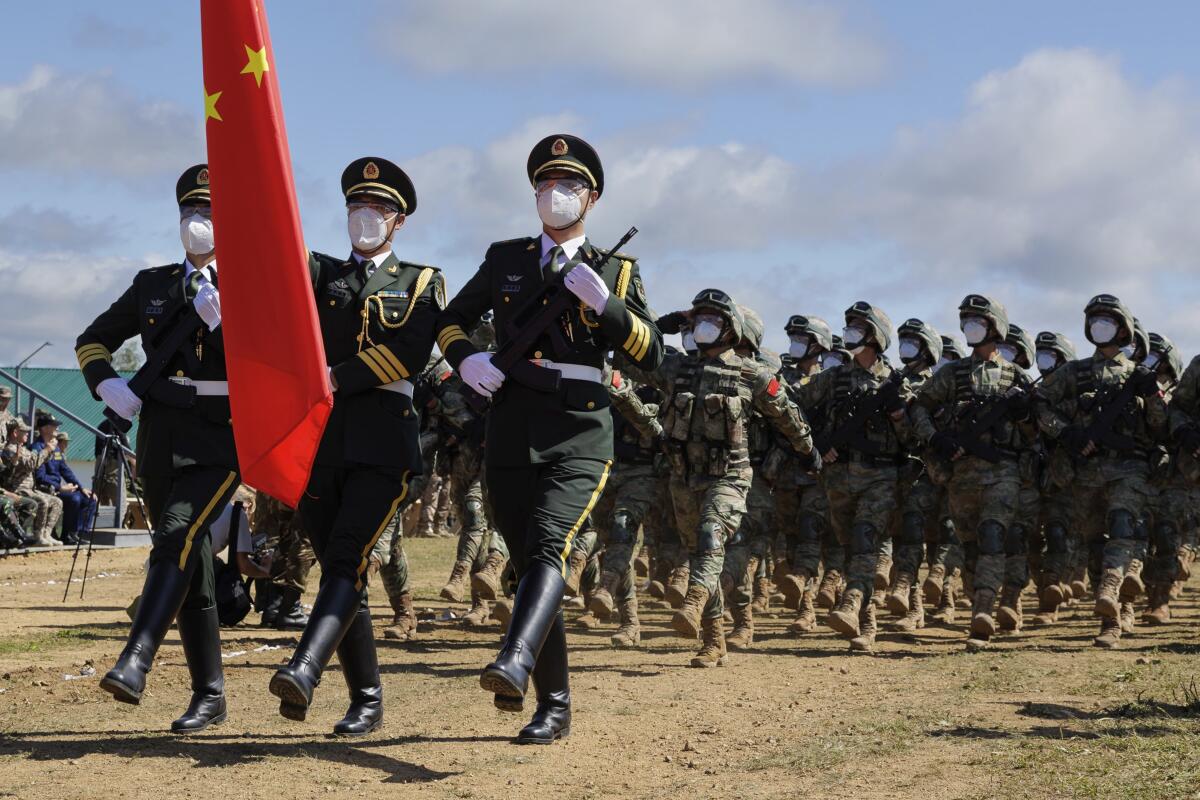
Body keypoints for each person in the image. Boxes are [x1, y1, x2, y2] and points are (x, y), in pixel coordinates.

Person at [435, 134, 664, 744]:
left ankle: (514, 658)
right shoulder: (506, 259)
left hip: (579, 429)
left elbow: (652, 355)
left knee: (548, 551)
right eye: (544, 184)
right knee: (533, 562)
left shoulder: (617, 269)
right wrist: (466, 360)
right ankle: (553, 704)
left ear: (591, 198)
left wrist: (608, 306)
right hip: (510, 425)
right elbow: (450, 320)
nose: (554, 195)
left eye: (567, 186)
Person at [269, 157, 443, 737]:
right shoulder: (318, 275)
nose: (365, 218)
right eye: (356, 208)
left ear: (399, 221)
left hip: (382, 443)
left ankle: (304, 666)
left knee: (345, 557)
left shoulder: (422, 280)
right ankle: (367, 698)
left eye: (378, 209)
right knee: (346, 570)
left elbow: (410, 353)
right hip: (319, 442)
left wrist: (335, 376)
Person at [81, 164, 240, 732]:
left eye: (211, 212)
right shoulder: (153, 284)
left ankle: (137, 656)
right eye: (191, 213)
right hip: (160, 437)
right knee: (189, 557)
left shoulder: (250, 281)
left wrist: (229, 325)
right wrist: (108, 384)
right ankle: (210, 694)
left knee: (178, 531)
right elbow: (93, 339)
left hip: (222, 434)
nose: (200, 222)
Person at [646, 290, 817, 663]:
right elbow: (630, 359)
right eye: (699, 319)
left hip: (730, 477)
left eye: (713, 320)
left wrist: (809, 452)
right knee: (702, 553)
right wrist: (658, 328)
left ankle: (693, 601)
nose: (703, 327)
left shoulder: (751, 373)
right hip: (685, 478)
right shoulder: (676, 368)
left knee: (711, 537)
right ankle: (713, 641)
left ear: (730, 329)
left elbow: (785, 415)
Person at [1034, 294, 1164, 648]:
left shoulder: (1138, 375)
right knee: (1094, 544)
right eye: (1094, 319)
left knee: (1123, 524)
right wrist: (1065, 431)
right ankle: (1113, 618)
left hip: (1129, 467)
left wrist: (1152, 393)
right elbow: (1039, 403)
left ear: (1122, 329)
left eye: (1107, 319)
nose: (1099, 325)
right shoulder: (1073, 372)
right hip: (1086, 469)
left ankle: (1110, 589)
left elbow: (1159, 425)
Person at [912, 295, 1036, 650]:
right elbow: (919, 408)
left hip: (1003, 471)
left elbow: (1035, 434)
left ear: (995, 326)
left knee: (994, 533)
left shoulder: (1017, 377)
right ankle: (980, 597)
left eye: (977, 320)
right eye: (966, 320)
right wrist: (936, 439)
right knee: (969, 545)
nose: (970, 326)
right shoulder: (952, 375)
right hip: (961, 473)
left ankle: (984, 611)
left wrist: (1024, 415)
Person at [792, 302, 911, 653]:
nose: (850, 334)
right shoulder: (833, 378)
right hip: (838, 476)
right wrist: (815, 445)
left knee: (865, 540)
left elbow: (912, 438)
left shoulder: (894, 382)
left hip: (880, 476)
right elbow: (791, 406)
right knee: (848, 550)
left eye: (859, 327)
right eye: (850, 327)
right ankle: (867, 624)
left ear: (876, 335)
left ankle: (851, 602)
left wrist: (898, 412)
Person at [1, 416, 62, 547]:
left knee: (56, 502)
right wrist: (47, 450)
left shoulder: (22, 448)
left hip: (29, 489)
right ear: (15, 433)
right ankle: (38, 535)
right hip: (18, 489)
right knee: (42, 501)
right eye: (24, 431)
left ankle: (47, 534)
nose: (27, 433)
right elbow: (30, 464)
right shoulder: (10, 449)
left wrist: (48, 451)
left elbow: (37, 462)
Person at [34, 423, 98, 546]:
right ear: (45, 429)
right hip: (46, 489)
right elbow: (40, 477)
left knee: (89, 498)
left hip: (58, 488)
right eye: (54, 427)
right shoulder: (38, 447)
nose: (57, 429)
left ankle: (77, 533)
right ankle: (66, 535)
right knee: (75, 499)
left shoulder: (56, 449)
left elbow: (65, 470)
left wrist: (81, 487)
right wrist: (60, 487)